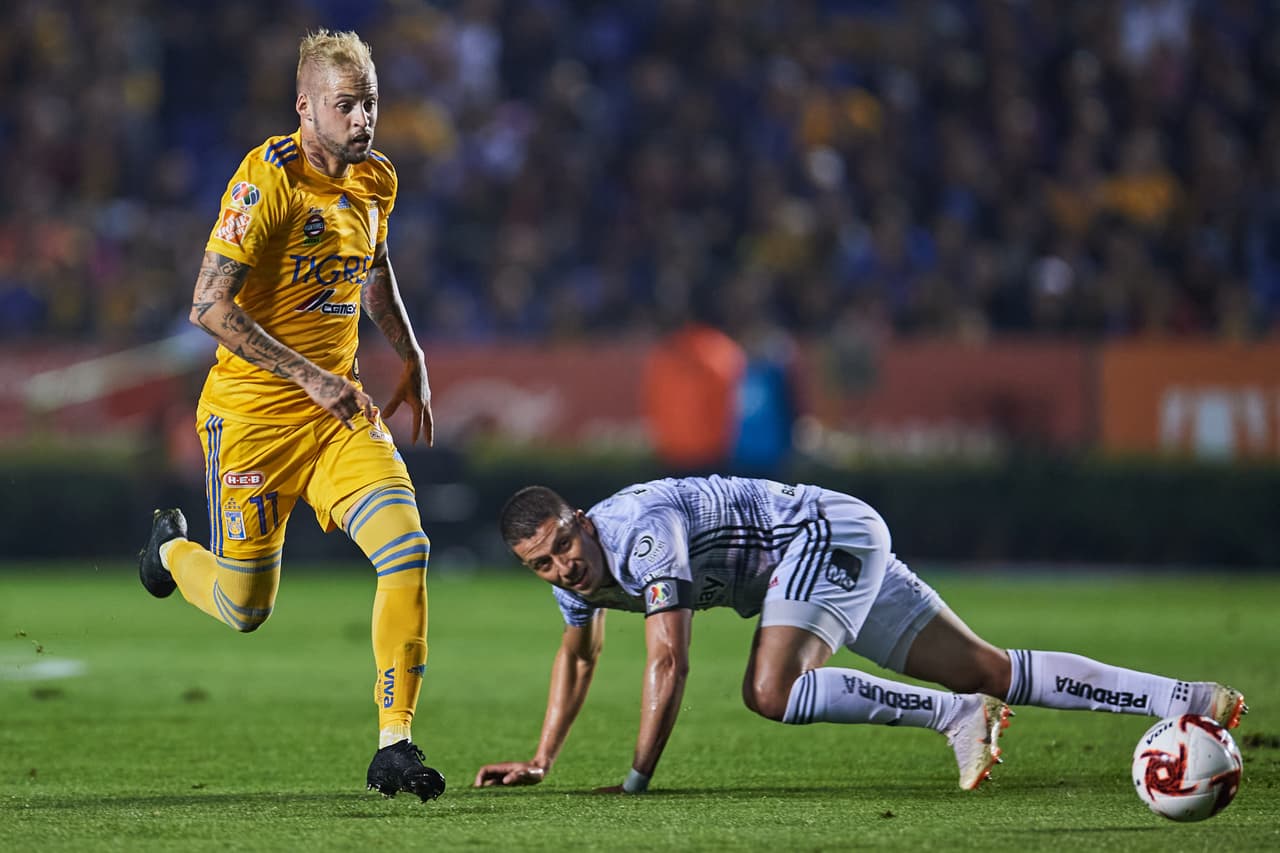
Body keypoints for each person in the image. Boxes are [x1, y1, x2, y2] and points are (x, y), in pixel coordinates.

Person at [474, 476, 1247, 794]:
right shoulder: (572, 577)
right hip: (825, 546)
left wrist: (637, 780)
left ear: (578, 518)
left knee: (770, 690)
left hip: (819, 532)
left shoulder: (639, 533)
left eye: (564, 546)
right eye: (540, 564)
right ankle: (1188, 696)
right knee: (985, 667)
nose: (562, 568)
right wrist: (543, 758)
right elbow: (579, 655)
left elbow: (669, 657)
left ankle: (956, 717)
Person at [136, 29, 444, 803]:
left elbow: (373, 267)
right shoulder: (263, 181)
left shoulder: (377, 178)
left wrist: (410, 355)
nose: (363, 119)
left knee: (406, 549)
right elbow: (207, 305)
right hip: (252, 419)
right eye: (346, 105)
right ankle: (173, 552)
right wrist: (308, 375)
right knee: (246, 609)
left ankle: (395, 742)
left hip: (337, 414)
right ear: (304, 108)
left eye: (370, 102)